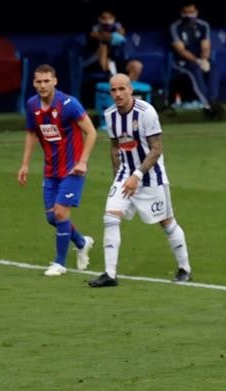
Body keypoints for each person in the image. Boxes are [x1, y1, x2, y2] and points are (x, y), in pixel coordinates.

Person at [88, 74, 193, 287]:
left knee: (166, 222)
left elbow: (157, 149)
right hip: (125, 175)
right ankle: (110, 274)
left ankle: (185, 268)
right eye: (113, 90)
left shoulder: (147, 113)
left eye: (121, 89)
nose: (117, 94)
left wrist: (137, 176)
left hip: (151, 176)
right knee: (110, 216)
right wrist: (117, 178)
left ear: (130, 89)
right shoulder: (109, 115)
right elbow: (115, 146)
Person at [18, 64, 97, 277]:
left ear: (55, 81)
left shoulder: (69, 104)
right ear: (34, 83)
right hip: (50, 170)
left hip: (73, 170)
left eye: (46, 81)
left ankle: (59, 263)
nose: (42, 86)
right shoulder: (32, 105)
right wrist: (25, 164)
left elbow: (90, 132)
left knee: (61, 212)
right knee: (52, 218)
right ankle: (81, 242)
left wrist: (83, 161)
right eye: (38, 82)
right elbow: (32, 134)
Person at [169, 2, 224, 119]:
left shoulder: (203, 25)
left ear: (196, 12)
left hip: (200, 59)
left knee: (214, 68)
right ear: (182, 13)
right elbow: (181, 50)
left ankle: (213, 99)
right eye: (186, 13)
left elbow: (206, 46)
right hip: (182, 62)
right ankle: (207, 104)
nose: (189, 16)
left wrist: (204, 60)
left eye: (192, 12)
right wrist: (198, 62)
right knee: (195, 71)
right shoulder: (175, 27)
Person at [84, 10, 143, 82]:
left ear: (114, 18)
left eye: (109, 18)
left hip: (118, 60)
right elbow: (98, 36)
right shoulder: (94, 29)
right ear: (99, 19)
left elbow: (121, 34)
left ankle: (126, 89)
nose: (107, 21)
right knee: (103, 48)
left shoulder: (118, 27)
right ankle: (114, 85)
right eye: (104, 18)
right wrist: (107, 36)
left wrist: (117, 33)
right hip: (99, 63)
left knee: (137, 66)